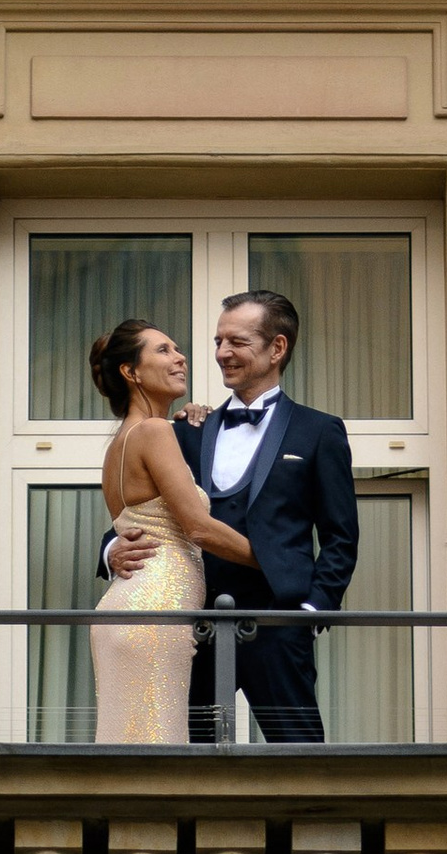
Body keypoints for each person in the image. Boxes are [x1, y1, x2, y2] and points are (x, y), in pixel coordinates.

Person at [106, 289, 359, 746]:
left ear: (276, 348)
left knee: (301, 756)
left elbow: (341, 535)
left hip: (279, 624)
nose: (222, 353)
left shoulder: (319, 431)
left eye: (237, 342)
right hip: (193, 625)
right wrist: (112, 550)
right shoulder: (184, 430)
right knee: (186, 755)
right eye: (218, 341)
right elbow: (140, 509)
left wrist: (311, 609)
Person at [87, 319, 255, 747]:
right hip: (156, 610)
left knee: (128, 745)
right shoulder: (154, 431)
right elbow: (197, 527)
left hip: (127, 607)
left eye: (178, 349)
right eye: (163, 350)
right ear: (131, 372)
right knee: (158, 747)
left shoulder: (120, 443)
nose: (180, 358)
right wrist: (273, 559)